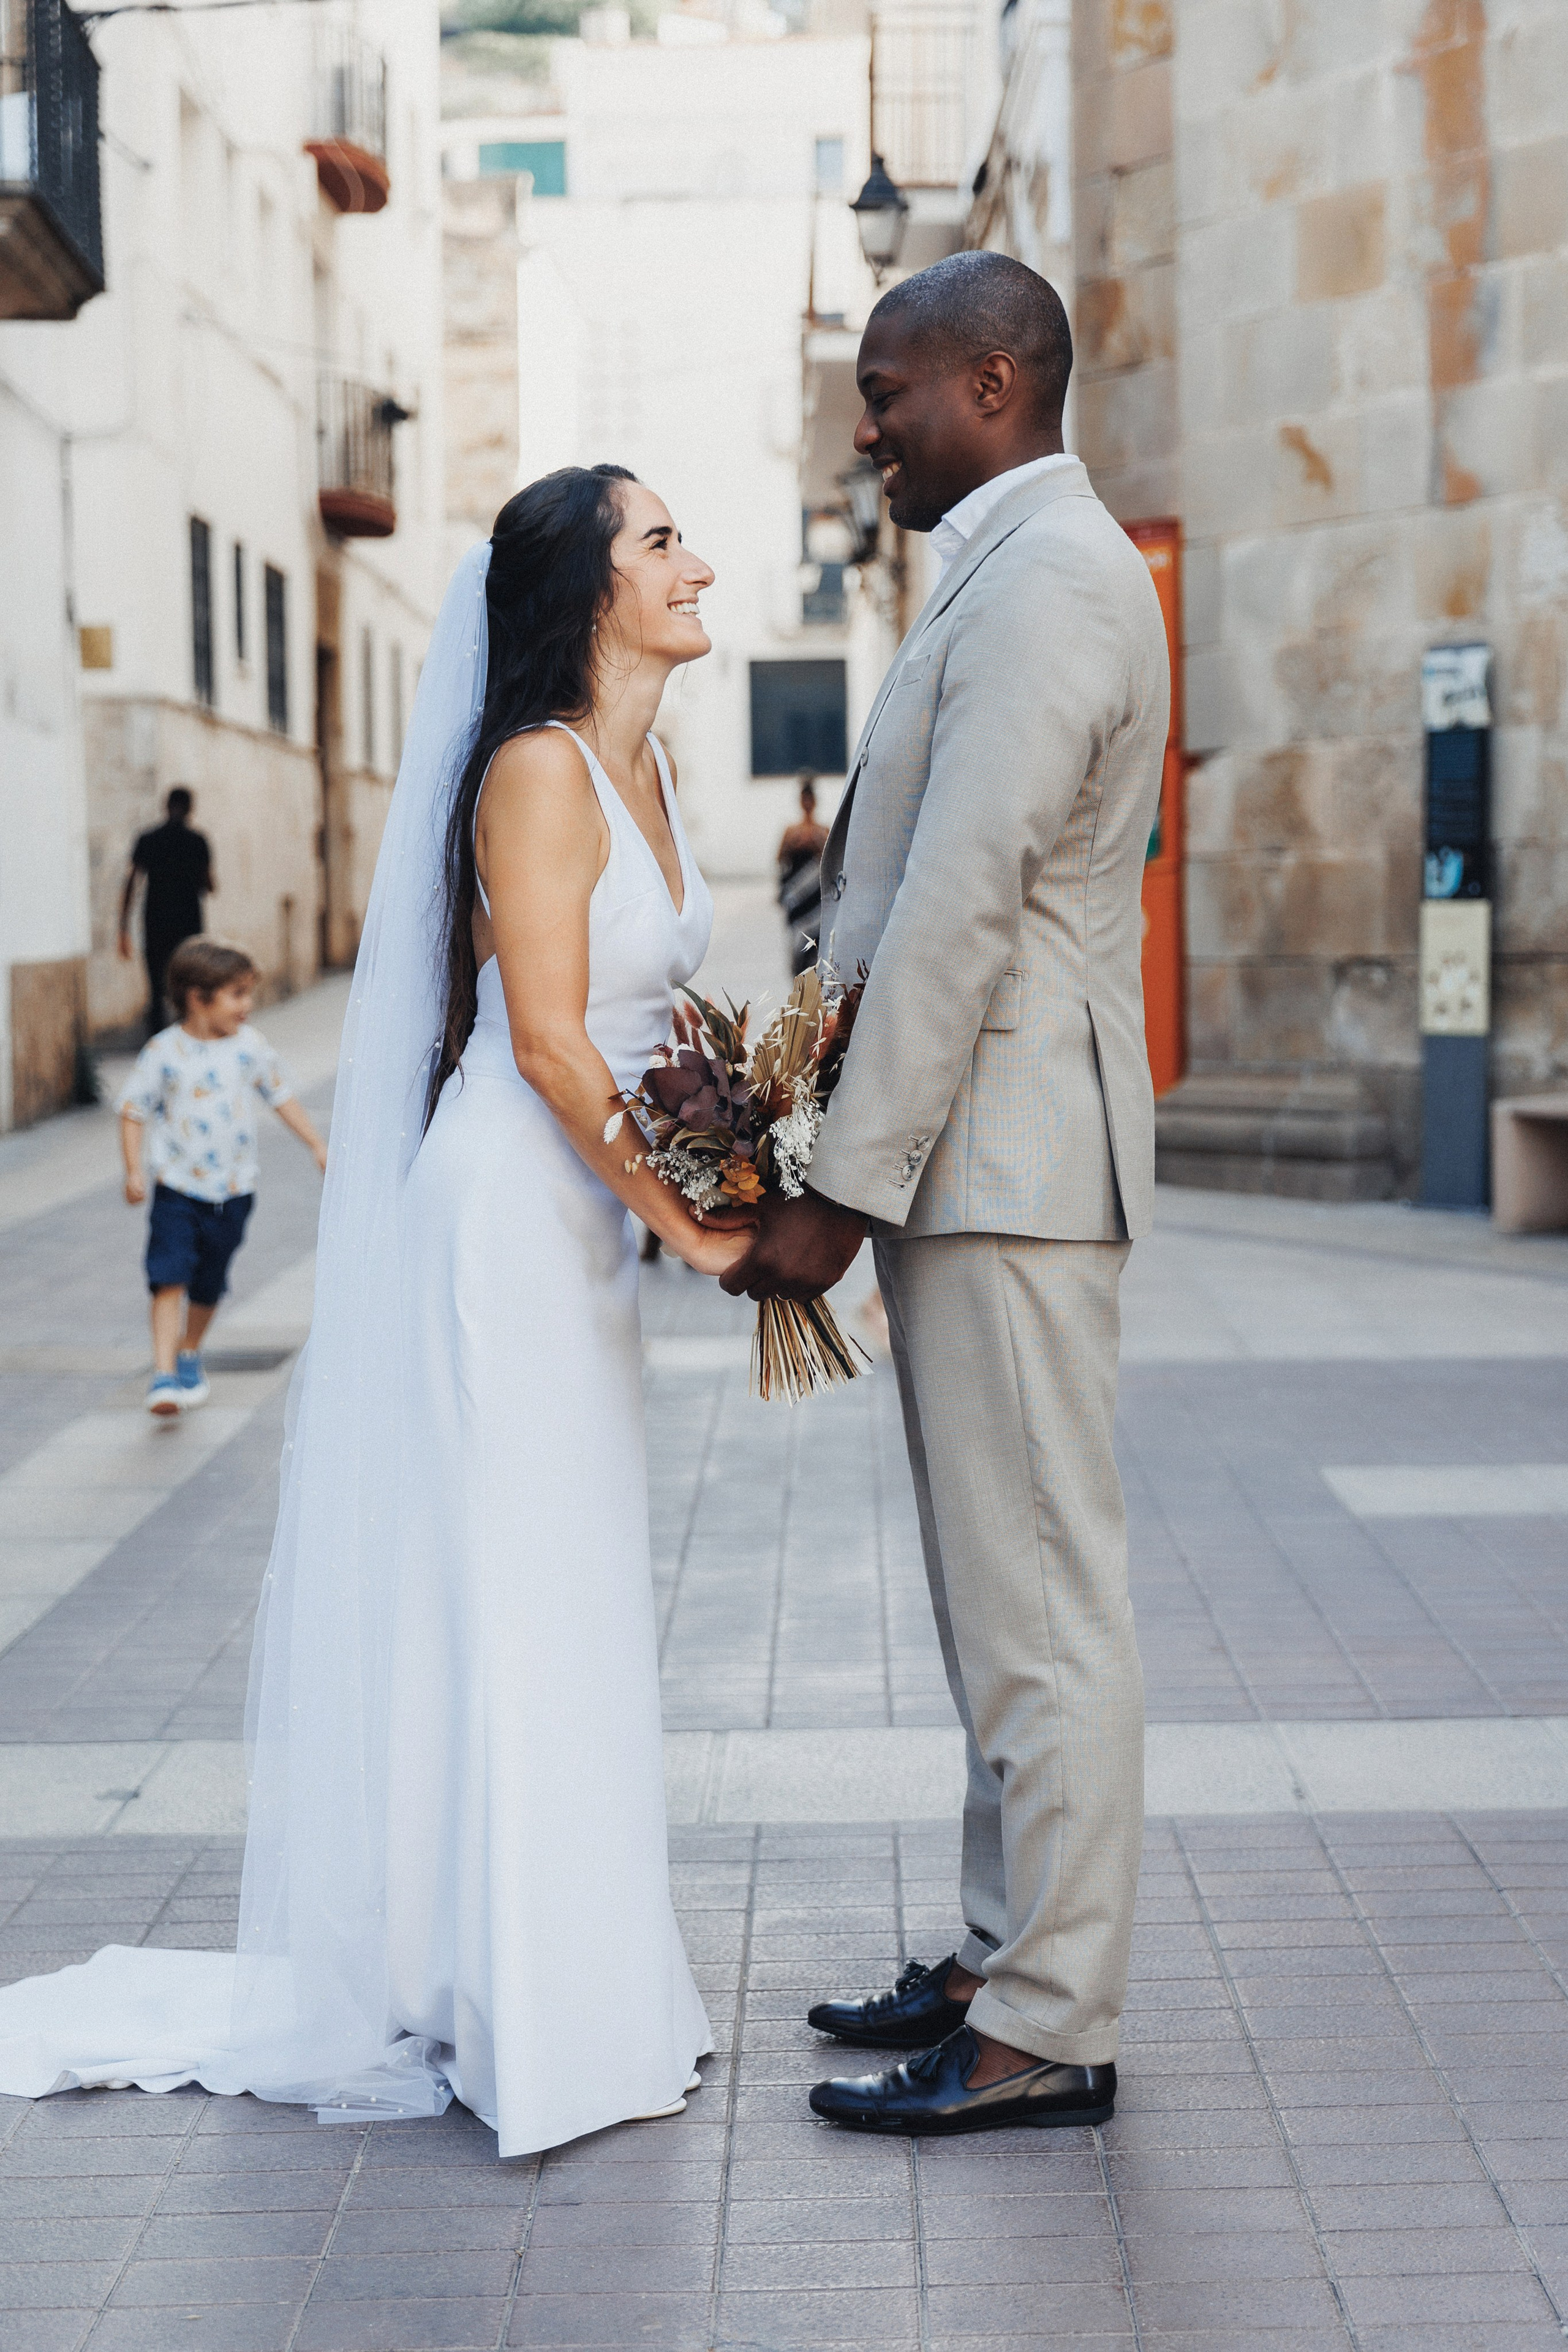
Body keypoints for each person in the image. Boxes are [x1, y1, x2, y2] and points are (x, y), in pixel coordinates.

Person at [0, 467, 750, 2157]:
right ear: (587, 592)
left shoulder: (653, 771)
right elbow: (552, 1042)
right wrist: (692, 1226)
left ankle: (574, 1977)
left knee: (568, 1586)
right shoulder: (539, 774)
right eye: (661, 544)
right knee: (511, 1586)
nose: (700, 563)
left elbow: (648, 1010)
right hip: (510, 1219)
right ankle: (511, 2008)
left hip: (581, 1221)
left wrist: (745, 1125)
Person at [725, 252, 1169, 2137]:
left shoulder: (1057, 578)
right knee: (1001, 1583)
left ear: (991, 381)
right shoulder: (1002, 562)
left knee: (1044, 1593)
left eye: (886, 391)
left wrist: (833, 1181)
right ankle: (1002, 1947)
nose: (865, 426)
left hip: (1004, 1147)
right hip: (981, 1149)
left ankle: (1046, 2020)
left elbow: (965, 898)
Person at [118, 937, 328, 1417]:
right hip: (177, 1188)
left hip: (234, 1190)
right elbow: (133, 1110)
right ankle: (165, 1373)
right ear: (198, 997)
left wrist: (317, 1144)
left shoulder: (250, 1048)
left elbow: (281, 1096)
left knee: (210, 1282)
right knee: (168, 1276)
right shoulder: (164, 1052)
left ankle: (190, 1349)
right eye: (237, 994)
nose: (247, 1006)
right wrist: (135, 1169)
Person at [118, 786, 214, 1035]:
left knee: (156, 989)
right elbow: (209, 885)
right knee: (190, 983)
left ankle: (158, 1042)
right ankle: (191, 1037)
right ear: (191, 809)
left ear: (166, 806)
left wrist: (123, 927)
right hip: (188, 923)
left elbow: (131, 883)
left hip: (156, 922)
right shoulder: (197, 841)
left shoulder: (148, 839)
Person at [777, 774, 827, 974]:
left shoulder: (823, 830)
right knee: (797, 952)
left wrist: (816, 844)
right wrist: (794, 844)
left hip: (817, 904)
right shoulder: (791, 831)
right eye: (804, 799)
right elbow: (780, 860)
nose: (807, 803)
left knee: (817, 951)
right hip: (798, 904)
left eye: (810, 799)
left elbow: (832, 860)